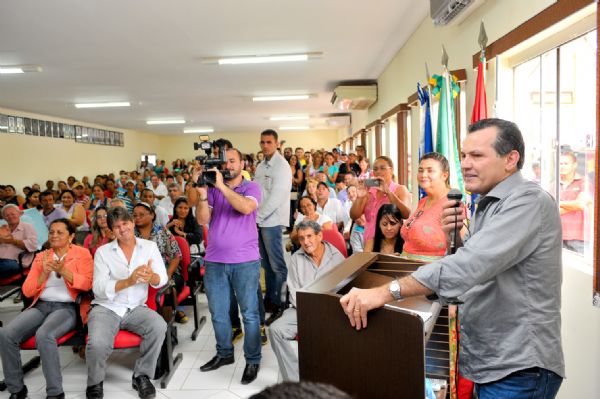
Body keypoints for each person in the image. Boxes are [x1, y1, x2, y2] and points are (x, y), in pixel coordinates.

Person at [340, 119, 564, 399]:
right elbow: (473, 269)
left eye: (477, 155)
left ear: (510, 159)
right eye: (464, 155)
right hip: (490, 362)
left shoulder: (528, 202)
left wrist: (385, 292)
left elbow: (468, 268)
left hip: (519, 367)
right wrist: (452, 237)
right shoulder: (487, 204)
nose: (466, 164)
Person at [0, 219, 93, 399]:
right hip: (41, 305)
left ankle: (55, 392)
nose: (54, 235)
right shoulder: (42, 256)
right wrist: (43, 274)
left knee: (45, 335)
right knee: (5, 334)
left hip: (67, 307)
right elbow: (27, 291)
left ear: (71, 236)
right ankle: (17, 389)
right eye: (52, 232)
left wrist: (64, 271)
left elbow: (88, 285)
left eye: (60, 232)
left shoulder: (82, 254)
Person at [194, 148, 263, 384]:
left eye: (233, 161)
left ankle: (253, 360)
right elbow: (203, 220)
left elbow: (245, 208)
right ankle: (224, 354)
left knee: (250, 314)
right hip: (214, 261)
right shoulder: (212, 190)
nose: (229, 165)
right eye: (225, 162)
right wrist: (203, 194)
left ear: (242, 163)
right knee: (219, 313)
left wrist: (222, 186)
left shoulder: (251, 187)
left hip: (245, 261)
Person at [85, 207, 168, 399]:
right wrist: (128, 282)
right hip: (106, 307)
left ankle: (142, 376)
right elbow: (98, 288)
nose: (122, 229)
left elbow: (162, 279)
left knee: (158, 326)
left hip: (136, 307)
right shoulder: (103, 252)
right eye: (116, 227)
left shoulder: (149, 247)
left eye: (125, 224)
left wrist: (152, 276)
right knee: (97, 343)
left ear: (132, 223)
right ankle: (95, 382)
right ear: (111, 231)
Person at [269, 220, 345, 382]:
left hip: (331, 311)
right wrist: (311, 314)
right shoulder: (297, 258)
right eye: (302, 238)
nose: (306, 242)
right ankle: (295, 381)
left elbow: (343, 290)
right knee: (275, 330)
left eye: (309, 236)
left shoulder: (336, 257)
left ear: (320, 236)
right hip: (302, 310)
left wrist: (325, 313)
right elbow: (295, 292)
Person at [254, 129, 292, 325]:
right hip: (260, 221)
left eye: (269, 142)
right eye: (262, 142)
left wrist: (257, 218)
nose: (265, 145)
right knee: (266, 265)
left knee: (277, 265)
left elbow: (276, 198)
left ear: (277, 144)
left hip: (272, 221)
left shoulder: (282, 166)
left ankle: (280, 303)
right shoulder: (260, 166)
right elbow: (256, 193)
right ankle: (270, 299)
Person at [133, 202, 187, 323]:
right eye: (135, 215)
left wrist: (167, 275)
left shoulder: (162, 232)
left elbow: (176, 256)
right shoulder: (131, 234)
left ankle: (167, 328)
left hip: (167, 271)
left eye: (141, 214)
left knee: (167, 287)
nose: (137, 217)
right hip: (141, 273)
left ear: (152, 215)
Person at [400, 152, 452, 260]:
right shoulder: (423, 201)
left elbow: (461, 250)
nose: (423, 175)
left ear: (444, 175)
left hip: (432, 273)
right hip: (407, 269)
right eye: (420, 170)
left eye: (430, 170)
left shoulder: (452, 204)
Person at [349, 156, 410, 245]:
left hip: (392, 245)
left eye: (382, 168)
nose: (378, 172)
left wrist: (388, 193)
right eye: (375, 169)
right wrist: (359, 198)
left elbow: (406, 214)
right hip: (369, 244)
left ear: (391, 170)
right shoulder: (369, 191)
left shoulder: (400, 189)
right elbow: (354, 215)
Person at [559, 150, 590, 254]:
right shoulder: (554, 184)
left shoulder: (584, 182)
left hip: (579, 239)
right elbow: (552, 209)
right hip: (558, 237)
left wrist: (559, 203)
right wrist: (573, 205)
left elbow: (581, 204)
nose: (562, 166)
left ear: (574, 165)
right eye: (560, 163)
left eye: (566, 163)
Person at [0, 205, 38, 278]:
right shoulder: (3, 228)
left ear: (19, 214)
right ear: (4, 217)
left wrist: (12, 241)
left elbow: (33, 246)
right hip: (1, 261)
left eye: (13, 214)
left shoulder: (27, 226)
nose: (10, 217)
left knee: (9, 265)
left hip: (16, 262)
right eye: (7, 215)